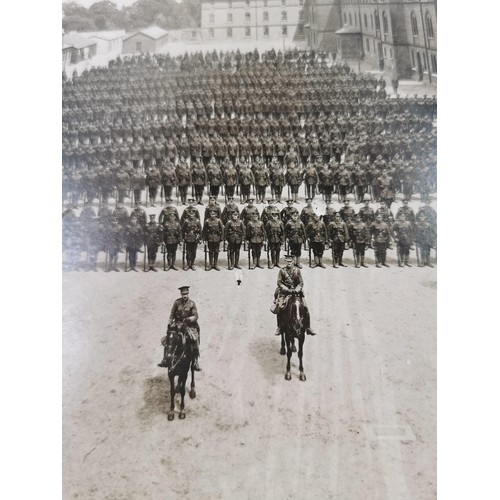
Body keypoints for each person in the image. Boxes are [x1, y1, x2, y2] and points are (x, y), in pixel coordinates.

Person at [158, 286, 202, 371]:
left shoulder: (192, 304)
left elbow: (196, 316)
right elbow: (171, 315)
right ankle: (165, 359)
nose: (184, 295)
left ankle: (195, 362)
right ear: (181, 294)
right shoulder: (177, 303)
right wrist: (169, 324)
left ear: (188, 293)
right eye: (183, 294)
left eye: (186, 294)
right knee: (169, 337)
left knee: (194, 339)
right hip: (178, 324)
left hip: (188, 325)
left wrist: (190, 319)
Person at [271, 255, 316, 336]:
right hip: (285, 293)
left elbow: (301, 282)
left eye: (290, 262)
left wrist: (297, 289)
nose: (289, 263)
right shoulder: (282, 271)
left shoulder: (297, 270)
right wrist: (286, 289)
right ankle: (279, 327)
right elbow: (279, 282)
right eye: (287, 262)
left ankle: (308, 327)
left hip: (296, 292)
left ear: (293, 262)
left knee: (305, 307)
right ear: (285, 262)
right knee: (280, 307)